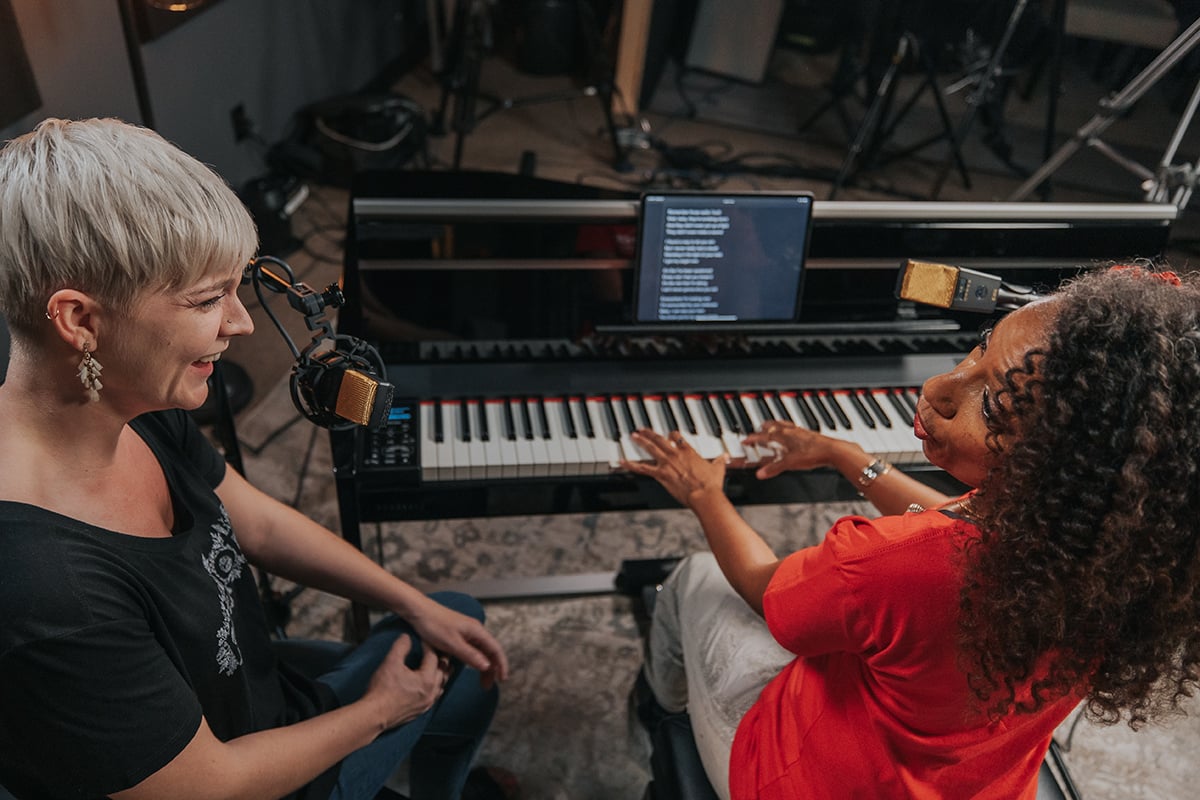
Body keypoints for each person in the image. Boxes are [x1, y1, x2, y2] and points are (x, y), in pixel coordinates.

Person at [0, 117, 511, 800]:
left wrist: (410, 601)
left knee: (452, 617)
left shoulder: (139, 408)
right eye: (209, 299)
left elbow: (259, 525)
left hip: (257, 691)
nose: (241, 324)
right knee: (440, 672)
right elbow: (208, 785)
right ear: (81, 320)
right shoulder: (45, 587)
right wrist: (381, 710)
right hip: (241, 779)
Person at [623, 264, 1200, 799]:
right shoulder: (1123, 553)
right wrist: (849, 457)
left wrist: (704, 494)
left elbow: (765, 590)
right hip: (978, 786)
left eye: (994, 406)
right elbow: (952, 519)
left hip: (803, 779)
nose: (939, 388)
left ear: (1063, 465)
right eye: (979, 347)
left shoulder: (889, 564)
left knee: (694, 576)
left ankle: (658, 725)